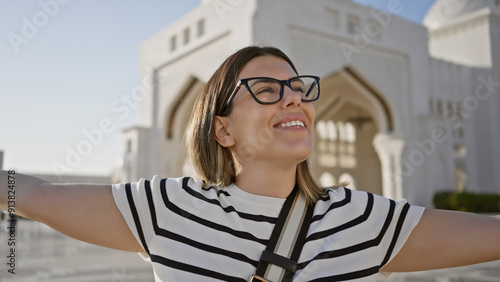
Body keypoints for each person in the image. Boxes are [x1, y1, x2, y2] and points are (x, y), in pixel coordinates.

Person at [1, 46, 499, 282]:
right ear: (223, 129)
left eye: (299, 91)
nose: (294, 101)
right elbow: (38, 194)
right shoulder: (169, 209)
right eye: (266, 90)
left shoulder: (361, 220)